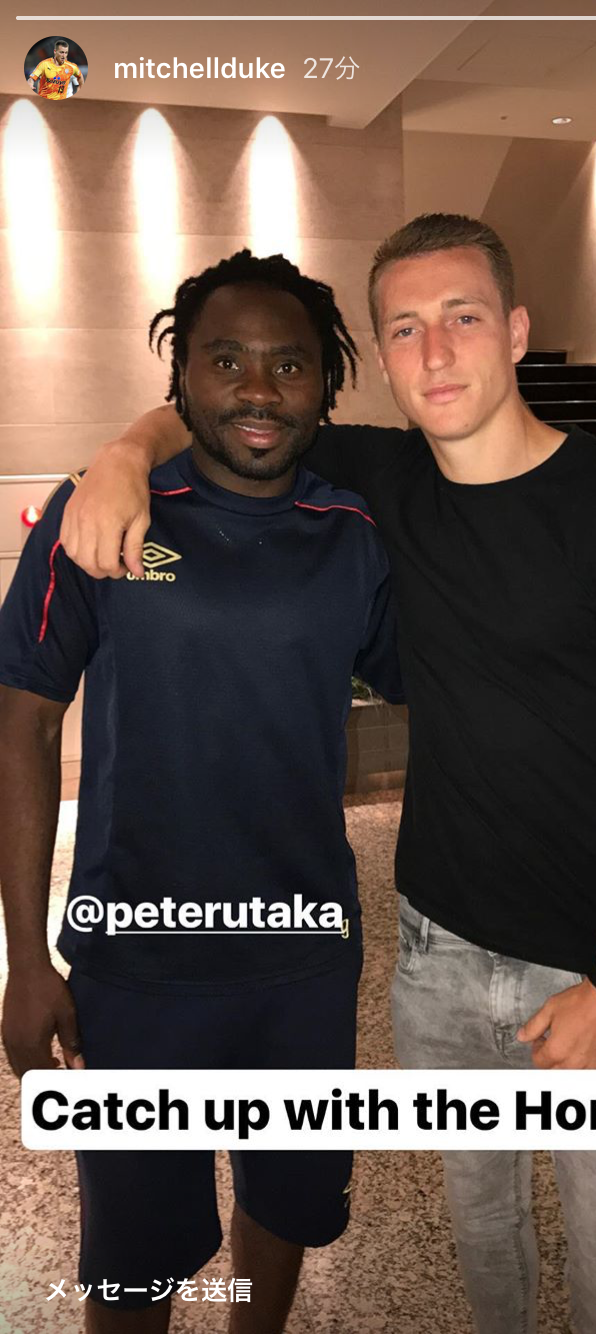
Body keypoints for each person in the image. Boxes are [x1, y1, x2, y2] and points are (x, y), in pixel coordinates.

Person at [57, 214, 596, 1334]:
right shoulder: (380, 473)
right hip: (439, 957)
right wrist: (124, 455)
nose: (436, 352)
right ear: (378, 355)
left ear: (515, 330)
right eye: (407, 328)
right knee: (485, 1249)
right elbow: (223, 401)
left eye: (463, 318)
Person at [0, 249, 402, 1333]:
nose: (259, 389)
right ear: (180, 376)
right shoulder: (105, 519)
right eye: (227, 360)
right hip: (137, 962)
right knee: (133, 1254)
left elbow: (440, 683)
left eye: (289, 364)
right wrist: (26, 958)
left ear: (329, 382)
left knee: (287, 1206)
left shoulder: (355, 535)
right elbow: (22, 725)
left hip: (303, 956)